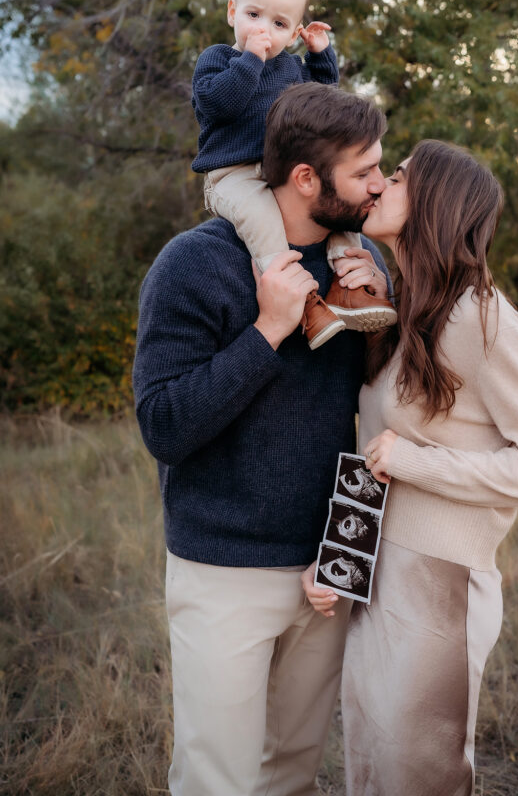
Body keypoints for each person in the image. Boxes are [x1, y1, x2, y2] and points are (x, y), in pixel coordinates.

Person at [303, 139, 518, 796]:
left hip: (441, 589)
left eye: (398, 178)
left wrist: (421, 464)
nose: (378, 187)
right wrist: (338, 559)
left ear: (435, 201)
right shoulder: (406, 312)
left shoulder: (479, 316)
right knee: (370, 775)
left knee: (420, 781)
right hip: (376, 580)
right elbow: (372, 451)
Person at [133, 82, 394, 796]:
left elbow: (383, 408)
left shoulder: (360, 267)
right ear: (307, 179)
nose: (380, 183)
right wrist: (267, 331)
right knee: (216, 777)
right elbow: (164, 427)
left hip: (329, 559)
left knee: (293, 773)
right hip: (225, 569)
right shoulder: (193, 265)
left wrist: (383, 316)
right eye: (365, 170)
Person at [191, 0, 395, 348]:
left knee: (337, 208)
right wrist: (251, 59)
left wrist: (320, 56)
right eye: (254, 15)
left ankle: (348, 287)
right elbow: (221, 105)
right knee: (263, 220)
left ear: (294, 32)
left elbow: (322, 107)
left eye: (279, 24)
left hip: (283, 173)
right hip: (232, 175)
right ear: (233, 10)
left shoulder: (291, 68)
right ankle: (302, 304)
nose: (263, 30)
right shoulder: (218, 60)